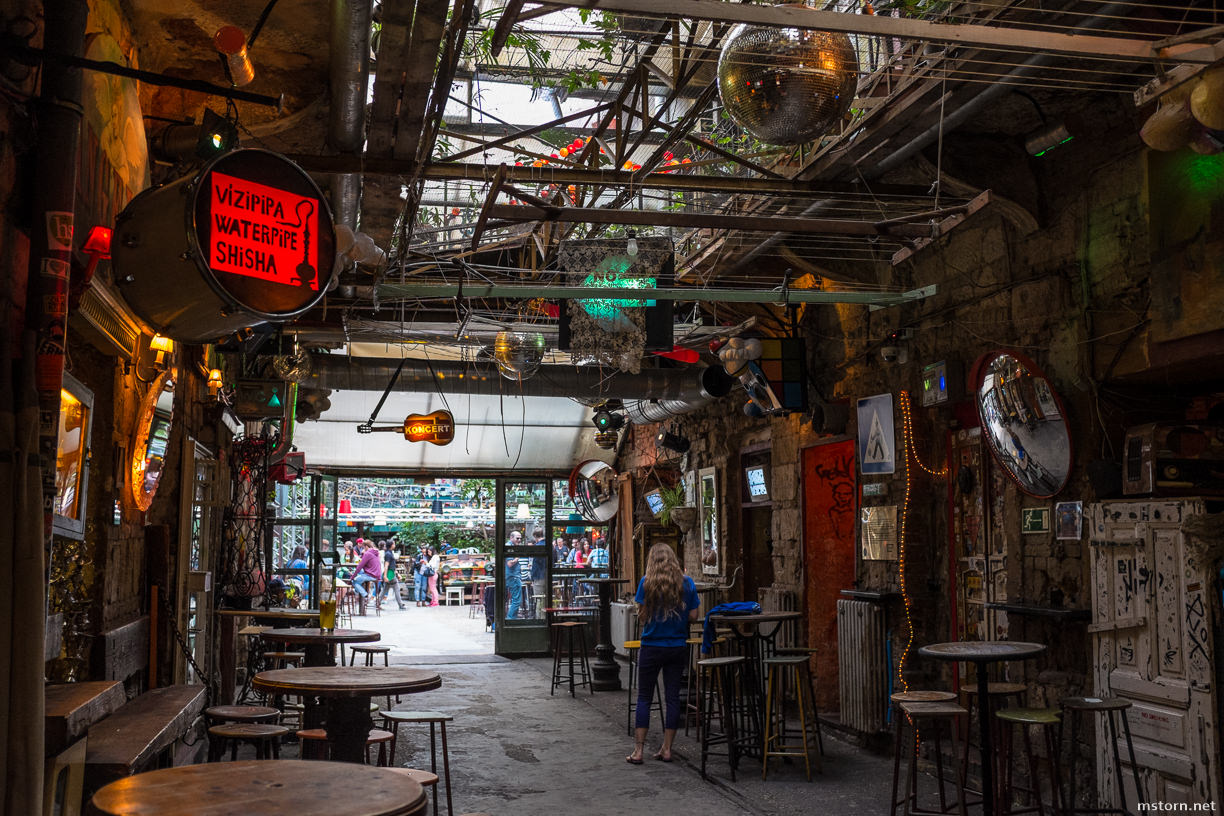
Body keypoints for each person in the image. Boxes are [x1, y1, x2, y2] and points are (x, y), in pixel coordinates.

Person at [627, 543, 700, 765]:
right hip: (676, 646)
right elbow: (694, 616)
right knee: (672, 698)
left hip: (651, 646)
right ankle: (667, 749)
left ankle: (638, 751)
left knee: (644, 697)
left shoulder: (646, 582)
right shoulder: (687, 583)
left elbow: (642, 616)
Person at [351, 540, 383, 614]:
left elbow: (360, 566)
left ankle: (365, 595)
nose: (362, 549)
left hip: (371, 575)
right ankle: (360, 592)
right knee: (359, 577)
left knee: (354, 581)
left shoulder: (367, 553)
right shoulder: (375, 552)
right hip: (377, 575)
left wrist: (352, 576)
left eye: (363, 547)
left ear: (366, 546)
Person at [377, 541, 406, 610]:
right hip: (390, 574)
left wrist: (397, 574)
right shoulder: (388, 554)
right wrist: (385, 576)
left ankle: (377, 603)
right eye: (394, 544)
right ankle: (400, 604)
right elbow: (386, 565)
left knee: (385, 589)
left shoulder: (389, 553)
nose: (395, 545)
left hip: (390, 573)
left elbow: (392, 565)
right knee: (396, 588)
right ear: (391, 545)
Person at [505, 531, 523, 619]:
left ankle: (512, 619)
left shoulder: (512, 546)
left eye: (520, 538)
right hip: (513, 576)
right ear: (511, 538)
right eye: (517, 538)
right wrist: (517, 557)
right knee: (516, 600)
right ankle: (510, 619)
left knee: (515, 600)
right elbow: (510, 563)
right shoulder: (509, 547)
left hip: (512, 575)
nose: (519, 540)